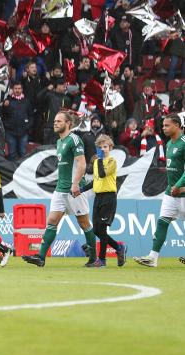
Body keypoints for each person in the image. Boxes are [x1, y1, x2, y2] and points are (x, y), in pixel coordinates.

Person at [22, 112, 97, 267]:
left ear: (68, 123)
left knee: (84, 223)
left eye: (59, 121)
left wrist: (75, 184)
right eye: (55, 121)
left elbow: (82, 164)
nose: (55, 123)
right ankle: (41, 257)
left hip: (73, 190)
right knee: (52, 221)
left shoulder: (74, 139)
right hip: (60, 189)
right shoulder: (59, 142)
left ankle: (94, 258)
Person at [135, 115, 185, 268]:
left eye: (167, 125)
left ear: (177, 125)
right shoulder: (169, 143)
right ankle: (153, 258)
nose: (163, 128)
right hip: (171, 193)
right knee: (162, 222)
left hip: (182, 192)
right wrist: (173, 187)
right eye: (163, 125)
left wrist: (179, 185)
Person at [82, 134, 126, 268]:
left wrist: (100, 159)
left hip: (109, 197)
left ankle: (102, 260)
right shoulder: (96, 162)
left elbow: (102, 174)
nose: (103, 149)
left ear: (110, 147)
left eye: (105, 147)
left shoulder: (112, 161)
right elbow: (96, 180)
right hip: (98, 197)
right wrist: (81, 189)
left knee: (102, 229)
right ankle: (119, 247)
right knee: (96, 230)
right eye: (100, 147)